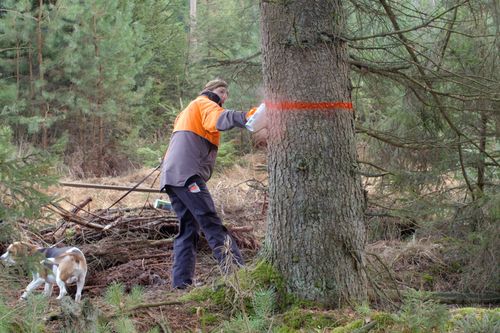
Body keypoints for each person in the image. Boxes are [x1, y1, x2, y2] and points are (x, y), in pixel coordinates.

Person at [160, 79, 257, 289]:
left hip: (173, 176)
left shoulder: (189, 110)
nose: (224, 96)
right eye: (221, 91)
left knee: (188, 229)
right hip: (187, 175)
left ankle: (181, 285)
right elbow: (220, 118)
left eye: (226, 93)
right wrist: (248, 116)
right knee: (211, 223)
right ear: (209, 91)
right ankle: (237, 275)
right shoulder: (205, 103)